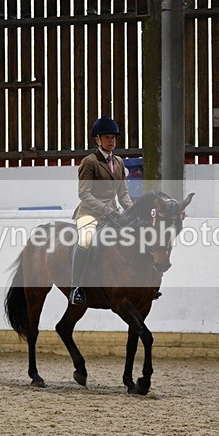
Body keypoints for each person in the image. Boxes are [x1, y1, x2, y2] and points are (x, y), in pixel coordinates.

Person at [69, 116, 134, 305]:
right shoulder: (89, 162)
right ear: (97, 139)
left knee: (135, 236)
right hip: (89, 213)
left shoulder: (120, 162)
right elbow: (84, 193)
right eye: (107, 137)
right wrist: (104, 208)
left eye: (113, 137)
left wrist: (132, 212)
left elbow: (123, 194)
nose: (111, 141)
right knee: (85, 241)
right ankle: (76, 288)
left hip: (112, 213)